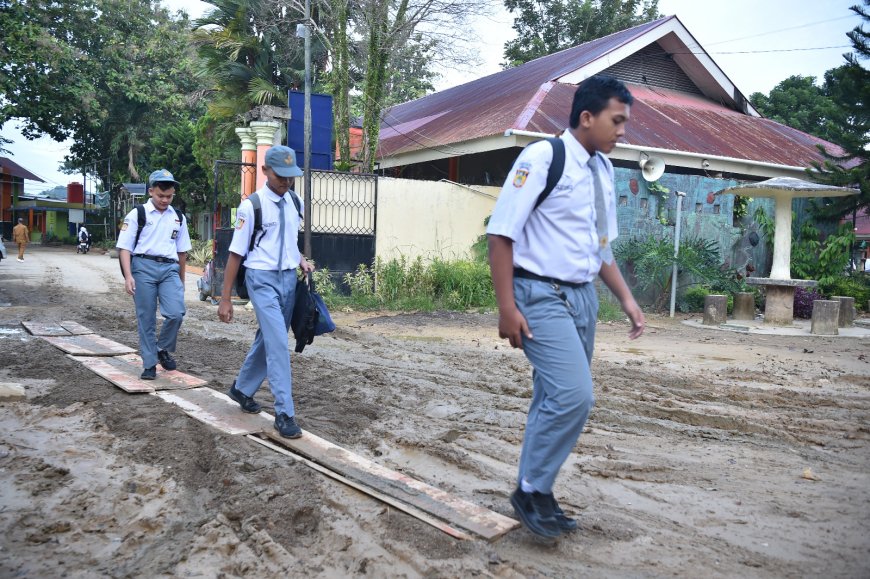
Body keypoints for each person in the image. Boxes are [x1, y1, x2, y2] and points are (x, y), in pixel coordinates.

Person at [486, 75, 645, 538]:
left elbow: (600, 248)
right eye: (617, 121)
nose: (622, 131)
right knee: (575, 396)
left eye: (625, 122)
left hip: (582, 298)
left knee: (552, 397)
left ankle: (535, 487)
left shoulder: (603, 170)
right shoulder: (542, 157)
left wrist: (627, 300)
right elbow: (501, 235)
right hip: (539, 295)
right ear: (587, 117)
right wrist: (505, 307)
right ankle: (531, 489)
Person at [218, 145, 314, 439]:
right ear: (265, 171)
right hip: (261, 280)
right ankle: (284, 413)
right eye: (280, 176)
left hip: (288, 280)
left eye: (290, 176)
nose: (286, 181)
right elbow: (235, 254)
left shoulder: (294, 201)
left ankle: (241, 389)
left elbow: (287, 240)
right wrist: (225, 299)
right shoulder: (252, 206)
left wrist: (299, 259)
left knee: (268, 339)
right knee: (277, 346)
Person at [116, 169, 191, 380]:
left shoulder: (178, 217)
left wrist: (181, 280)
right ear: (151, 191)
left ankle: (162, 348)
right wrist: (128, 276)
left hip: (169, 269)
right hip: (143, 267)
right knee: (146, 318)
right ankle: (149, 363)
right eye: (161, 196)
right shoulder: (137, 214)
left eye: (169, 196)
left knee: (176, 313)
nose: (165, 200)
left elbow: (182, 251)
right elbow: (124, 248)